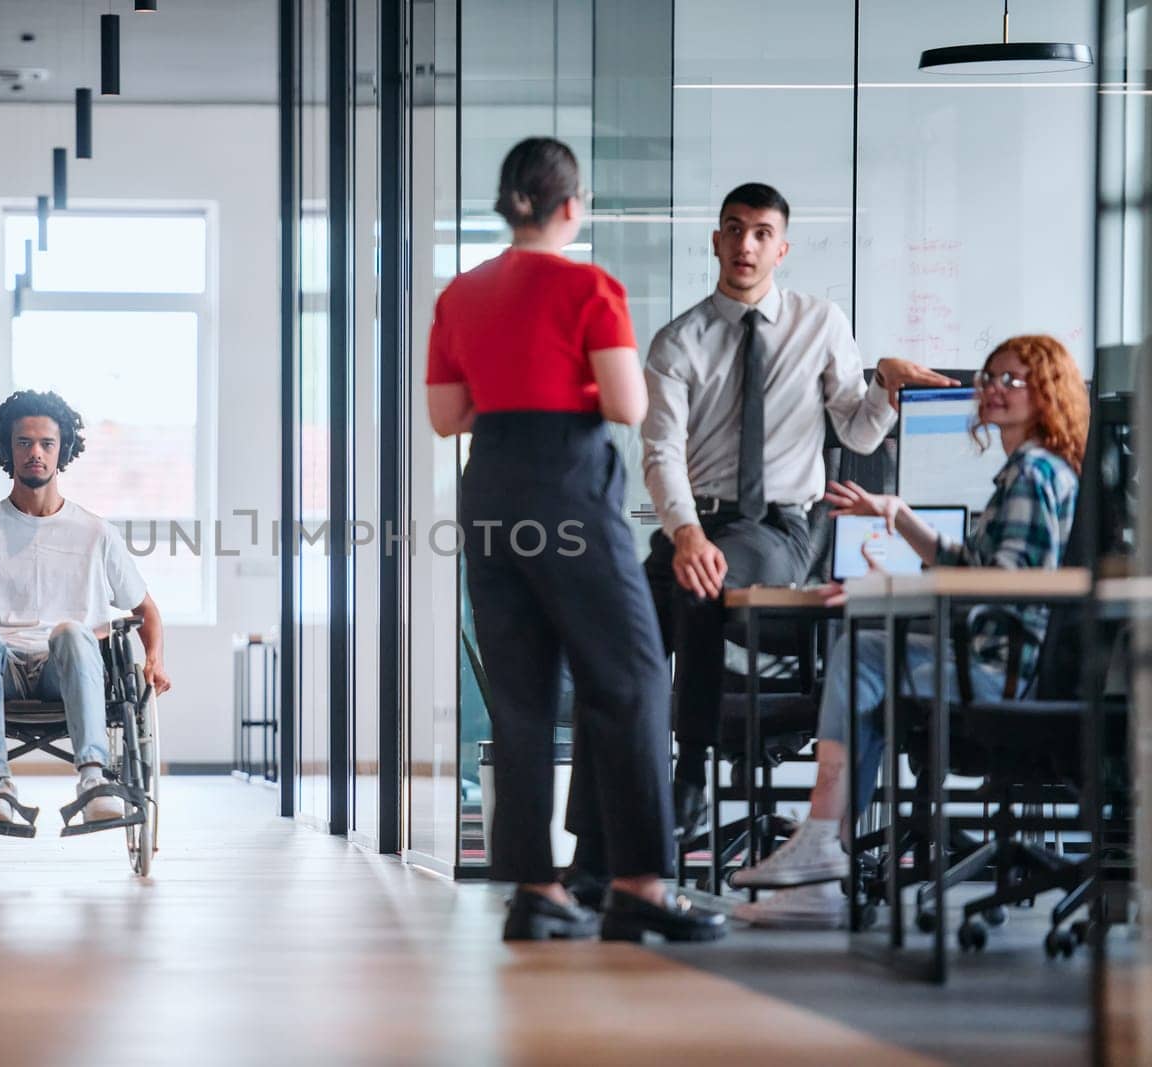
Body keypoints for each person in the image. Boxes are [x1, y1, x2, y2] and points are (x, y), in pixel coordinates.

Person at [428, 136, 723, 943]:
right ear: (571, 206)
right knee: (629, 675)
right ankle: (639, 884)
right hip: (567, 485)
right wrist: (575, 376)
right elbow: (628, 405)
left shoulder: (461, 294)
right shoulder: (590, 286)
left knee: (519, 699)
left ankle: (537, 889)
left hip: (489, 487)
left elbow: (446, 416)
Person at [731, 335, 1087, 927]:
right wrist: (898, 515)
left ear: (1047, 392)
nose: (993, 389)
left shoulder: (1029, 471)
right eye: (990, 376)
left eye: (1012, 380)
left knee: (862, 654)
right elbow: (974, 568)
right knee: (865, 660)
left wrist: (884, 590)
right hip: (1005, 662)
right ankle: (825, 860)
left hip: (999, 671)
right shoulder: (1041, 467)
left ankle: (824, 845)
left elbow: (1001, 585)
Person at [641, 183, 954, 839]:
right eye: (734, 228)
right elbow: (661, 452)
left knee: (707, 578)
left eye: (761, 233)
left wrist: (886, 388)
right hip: (694, 521)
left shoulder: (821, 323)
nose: (746, 244)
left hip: (777, 525)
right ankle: (594, 853)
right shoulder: (679, 341)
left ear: (781, 248)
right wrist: (688, 531)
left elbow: (859, 434)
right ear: (716, 240)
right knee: (615, 642)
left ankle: (692, 766)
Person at [0, 390, 171, 828]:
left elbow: (146, 610)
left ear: (63, 450)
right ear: (7, 449)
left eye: (46, 443)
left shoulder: (95, 533)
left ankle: (94, 780)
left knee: (74, 631)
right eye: (23, 443)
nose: (35, 453)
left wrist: (153, 660)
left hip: (68, 670)